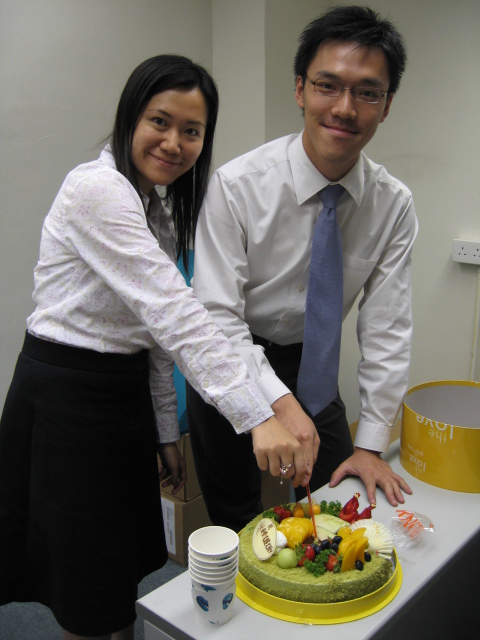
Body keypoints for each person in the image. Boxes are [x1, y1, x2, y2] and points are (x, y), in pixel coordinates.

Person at [0, 55, 310, 640]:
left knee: (115, 564)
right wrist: (257, 416)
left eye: (192, 131)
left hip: (121, 395)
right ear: (130, 117)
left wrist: (166, 429)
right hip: (66, 398)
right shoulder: (96, 189)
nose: (174, 143)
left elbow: (156, 337)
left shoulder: (159, 211)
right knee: (86, 580)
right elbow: (177, 315)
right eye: (160, 122)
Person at [186, 5, 418, 532]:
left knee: (341, 503)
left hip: (311, 366)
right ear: (299, 89)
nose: (344, 108)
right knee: (238, 520)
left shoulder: (392, 205)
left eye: (367, 92)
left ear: (386, 106)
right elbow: (216, 315)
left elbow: (387, 330)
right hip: (229, 356)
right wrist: (275, 403)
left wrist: (371, 444)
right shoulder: (237, 186)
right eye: (327, 86)